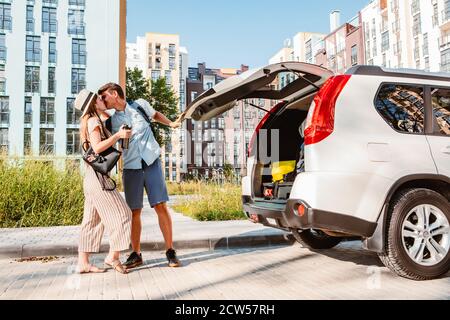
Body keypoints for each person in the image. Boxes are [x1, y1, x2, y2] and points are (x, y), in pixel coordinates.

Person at [97, 83, 182, 269]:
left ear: (114, 94)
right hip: (131, 167)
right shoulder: (111, 122)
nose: (103, 100)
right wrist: (101, 108)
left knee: (160, 205)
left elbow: (155, 115)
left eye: (104, 97)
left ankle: (170, 251)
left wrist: (172, 123)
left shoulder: (140, 105)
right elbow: (101, 133)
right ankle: (136, 254)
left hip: (151, 162)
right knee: (134, 211)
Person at [75, 89, 133, 274]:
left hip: (91, 178)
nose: (103, 99)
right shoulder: (93, 121)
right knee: (124, 214)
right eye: (99, 98)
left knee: (91, 221)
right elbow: (97, 148)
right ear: (93, 104)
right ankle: (112, 256)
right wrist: (116, 137)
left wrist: (104, 111)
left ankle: (83, 263)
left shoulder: (92, 119)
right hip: (98, 180)